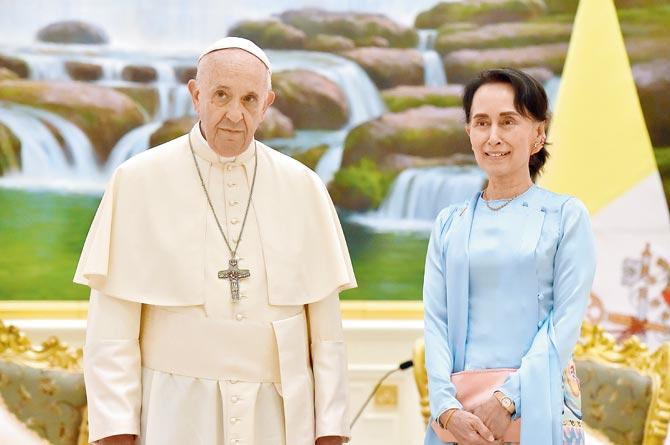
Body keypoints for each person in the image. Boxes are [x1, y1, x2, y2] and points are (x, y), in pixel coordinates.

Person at [75, 37, 355, 445]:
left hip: (277, 415)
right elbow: (111, 331)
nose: (234, 115)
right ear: (195, 94)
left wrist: (330, 430)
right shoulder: (138, 181)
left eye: (249, 99)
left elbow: (327, 336)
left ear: (268, 104)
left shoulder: (304, 187)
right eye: (221, 96)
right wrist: (117, 431)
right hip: (175, 411)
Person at [423, 68, 596, 445]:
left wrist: (507, 400)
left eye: (508, 121)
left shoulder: (565, 217)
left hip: (537, 407)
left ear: (538, 134)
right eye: (481, 122)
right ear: (469, 132)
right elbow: (435, 321)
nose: (493, 136)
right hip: (459, 418)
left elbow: (563, 324)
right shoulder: (449, 223)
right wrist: (446, 408)